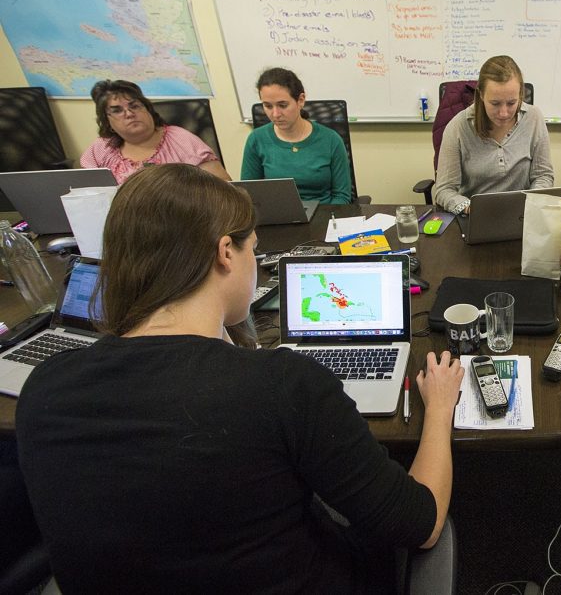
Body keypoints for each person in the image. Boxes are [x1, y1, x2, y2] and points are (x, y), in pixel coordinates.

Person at [15, 164, 464, 592]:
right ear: (225, 252)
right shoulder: (284, 386)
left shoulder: (46, 385)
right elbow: (420, 525)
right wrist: (440, 408)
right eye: (254, 247)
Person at [432, 55, 554, 214]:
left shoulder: (534, 117)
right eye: (495, 103)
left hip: (522, 216)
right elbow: (444, 189)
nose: (504, 113)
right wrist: (471, 208)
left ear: (521, 95)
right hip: (475, 216)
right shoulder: (458, 126)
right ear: (481, 95)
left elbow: (543, 176)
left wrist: (530, 204)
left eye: (511, 103)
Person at [81, 79, 230, 184]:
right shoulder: (101, 148)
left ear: (148, 109)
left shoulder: (181, 139)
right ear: (107, 121)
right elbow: (87, 194)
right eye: (117, 110)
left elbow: (224, 186)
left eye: (135, 106)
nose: (129, 113)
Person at [241, 67, 353, 204]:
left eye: (282, 105)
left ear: (300, 100)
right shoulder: (256, 139)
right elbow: (249, 195)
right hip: (277, 219)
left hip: (323, 216)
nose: (275, 114)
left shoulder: (331, 140)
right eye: (268, 106)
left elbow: (342, 196)